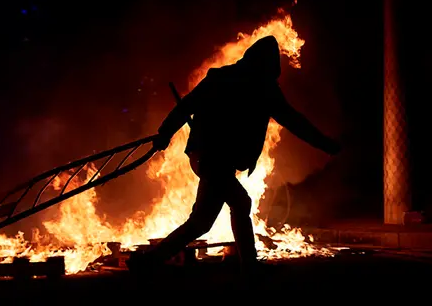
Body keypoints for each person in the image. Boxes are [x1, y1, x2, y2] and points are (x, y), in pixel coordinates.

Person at [127, 35, 340, 274]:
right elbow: (189, 105)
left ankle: (150, 263)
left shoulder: (230, 79)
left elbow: (188, 105)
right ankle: (150, 263)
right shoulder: (251, 85)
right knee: (216, 214)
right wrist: (164, 133)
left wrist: (165, 133)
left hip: (211, 157)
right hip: (212, 158)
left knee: (216, 215)